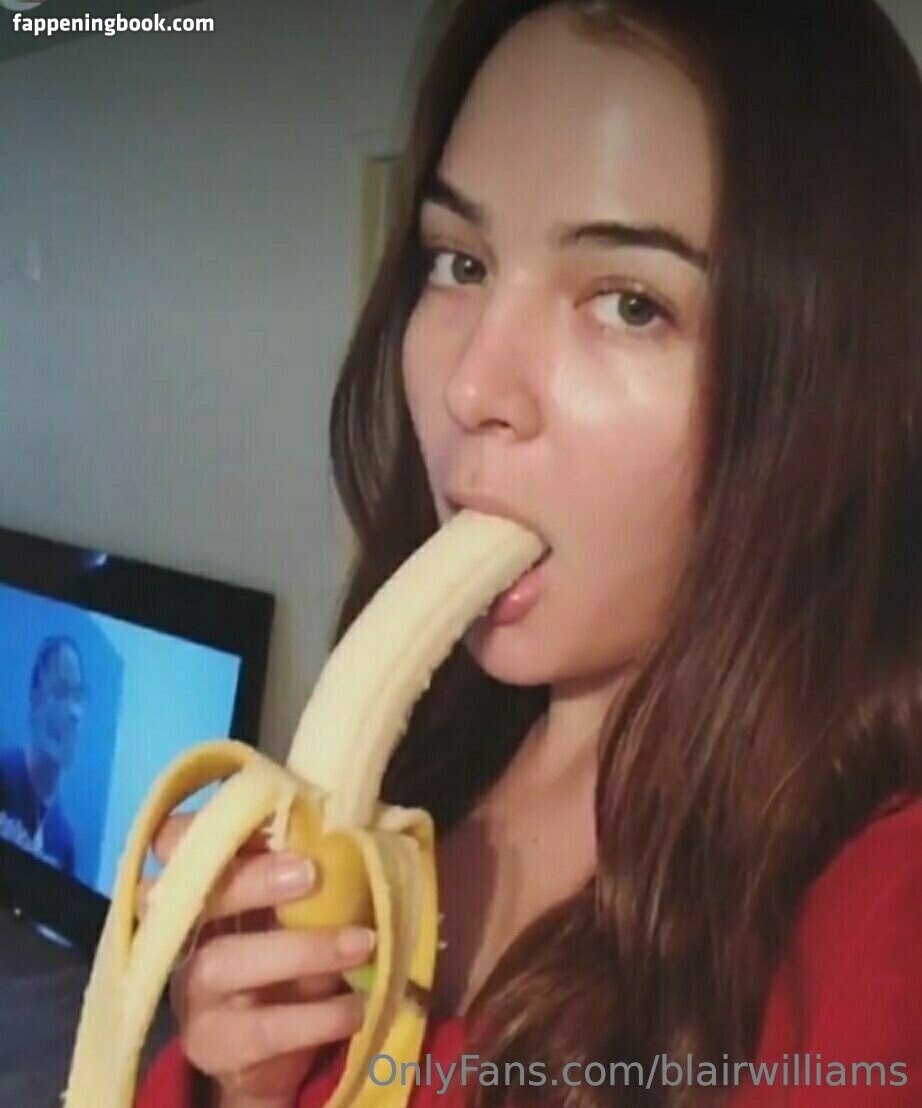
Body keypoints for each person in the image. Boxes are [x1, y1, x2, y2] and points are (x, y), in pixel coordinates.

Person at [133, 0, 922, 1105]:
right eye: (458, 263)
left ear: (828, 385)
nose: (471, 387)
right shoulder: (419, 763)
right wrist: (247, 1084)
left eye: (630, 303)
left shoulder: (880, 921)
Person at [0, 635, 83, 876]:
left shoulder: (65, 841)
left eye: (78, 696)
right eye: (61, 691)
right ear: (35, 699)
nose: (74, 712)